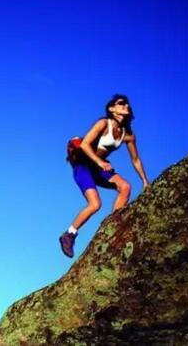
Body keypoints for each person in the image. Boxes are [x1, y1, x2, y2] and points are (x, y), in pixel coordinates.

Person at [59, 94, 149, 258]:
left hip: (99, 167)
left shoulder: (128, 136)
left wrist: (144, 181)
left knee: (125, 186)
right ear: (111, 109)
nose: (126, 105)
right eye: (121, 103)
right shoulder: (103, 124)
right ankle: (69, 234)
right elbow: (85, 144)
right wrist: (100, 162)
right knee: (95, 204)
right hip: (84, 166)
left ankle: (113, 226)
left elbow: (135, 159)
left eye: (127, 104)